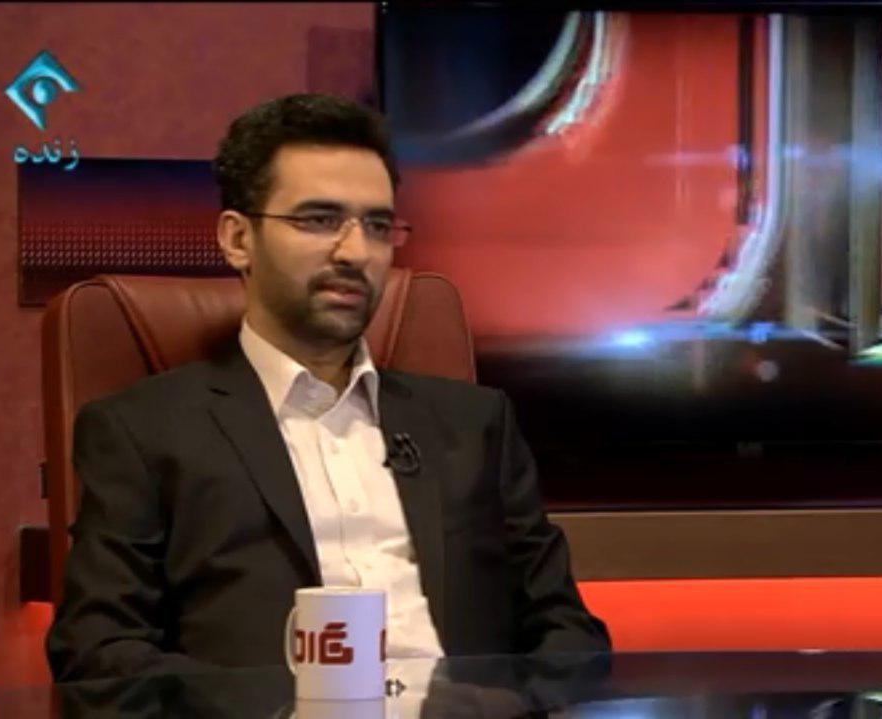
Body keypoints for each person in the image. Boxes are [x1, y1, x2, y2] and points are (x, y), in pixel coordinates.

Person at [46, 93, 610, 682]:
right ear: (238, 239)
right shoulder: (143, 431)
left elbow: (569, 633)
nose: (356, 252)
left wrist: (503, 703)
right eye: (318, 220)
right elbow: (99, 654)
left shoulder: (475, 424)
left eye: (378, 226)